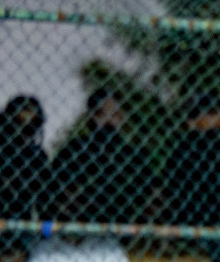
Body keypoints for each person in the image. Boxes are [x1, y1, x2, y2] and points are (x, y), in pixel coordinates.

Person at [47, 89, 154, 224]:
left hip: (118, 229)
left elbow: (148, 194)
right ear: (91, 117)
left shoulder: (133, 155)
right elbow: (55, 190)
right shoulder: (74, 150)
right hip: (75, 227)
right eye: (101, 114)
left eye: (115, 114)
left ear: (122, 118)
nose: (109, 120)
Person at [0, 96, 48, 260]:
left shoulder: (36, 158)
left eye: (31, 126)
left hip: (19, 233)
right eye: (19, 125)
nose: (23, 134)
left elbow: (44, 202)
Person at [163, 94, 220, 228]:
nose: (219, 119)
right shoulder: (188, 144)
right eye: (212, 114)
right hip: (193, 209)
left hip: (219, 209)